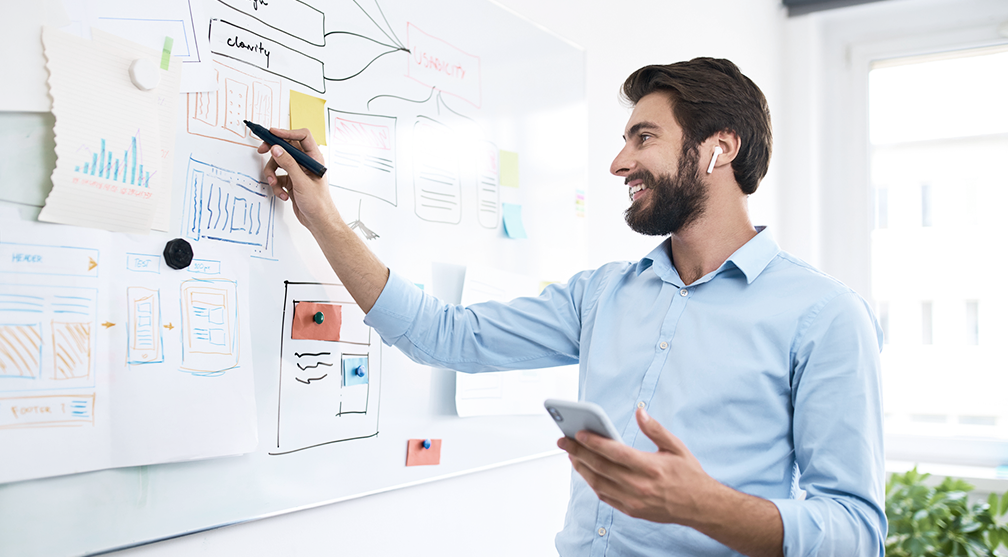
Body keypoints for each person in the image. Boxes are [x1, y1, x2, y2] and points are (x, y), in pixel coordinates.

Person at [258, 57, 886, 557]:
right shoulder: (602, 293)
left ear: (719, 149)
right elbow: (442, 337)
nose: (619, 163)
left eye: (644, 137)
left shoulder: (825, 315)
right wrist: (322, 216)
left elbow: (856, 533)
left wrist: (703, 506)